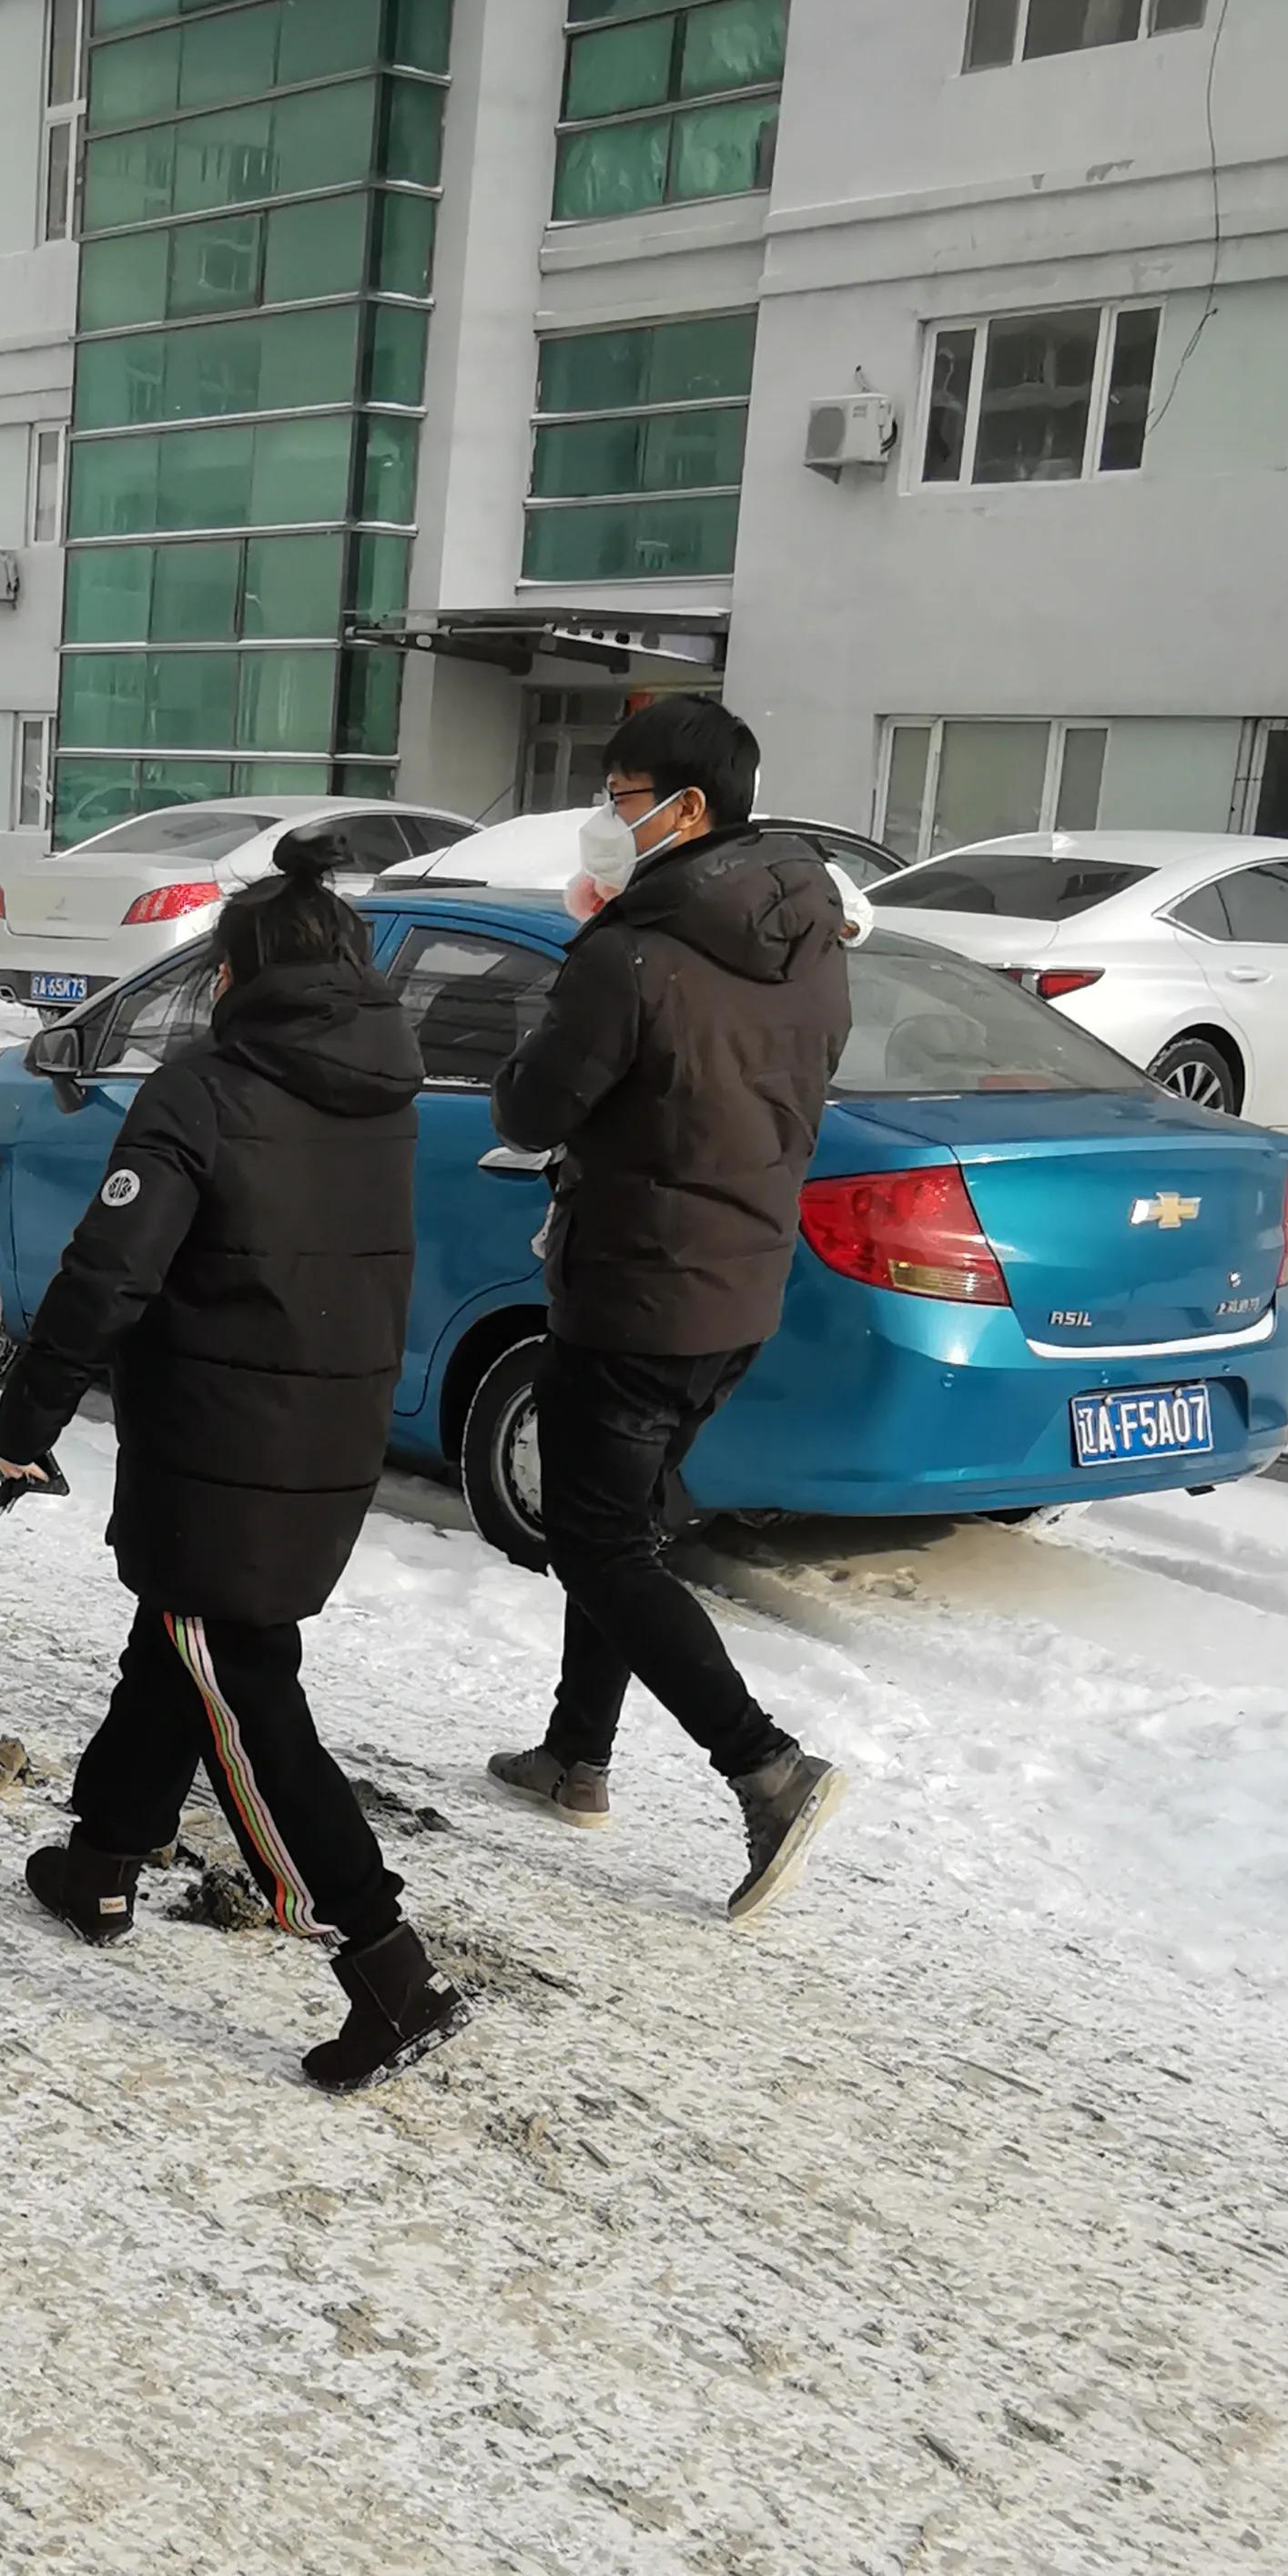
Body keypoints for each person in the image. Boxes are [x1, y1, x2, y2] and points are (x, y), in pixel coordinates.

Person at [0, 831, 469, 2093]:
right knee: (183, 1641)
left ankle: (384, 1964)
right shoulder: (385, 1088)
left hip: (219, 1433)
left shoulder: (207, 1087)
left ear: (234, 974)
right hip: (330, 1427)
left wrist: (26, 1416)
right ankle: (101, 1862)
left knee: (241, 1689)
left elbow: (110, 1272)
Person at [485, 695, 852, 1920]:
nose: (605, 817)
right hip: (740, 1284)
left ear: (687, 810)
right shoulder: (809, 939)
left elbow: (532, 1111)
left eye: (621, 795)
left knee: (596, 1540)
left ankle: (767, 1769)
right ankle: (575, 1759)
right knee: (624, 1527)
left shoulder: (629, 954)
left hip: (637, 1286)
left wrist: (583, 968)